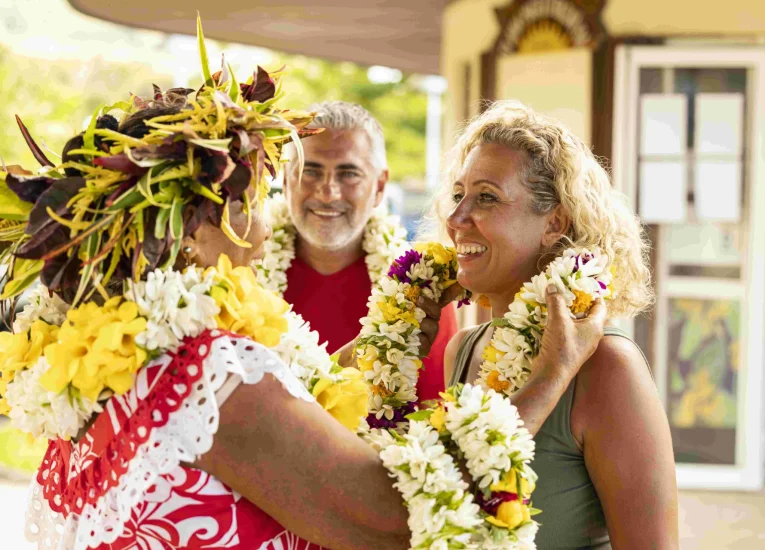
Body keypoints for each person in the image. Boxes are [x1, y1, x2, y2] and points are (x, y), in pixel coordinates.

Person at [1, 52, 605, 550]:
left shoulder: (118, 352)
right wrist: (549, 376)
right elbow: (395, 516)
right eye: (245, 206)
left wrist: (396, 330)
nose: (262, 231)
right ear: (183, 233)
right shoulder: (206, 373)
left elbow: (295, 410)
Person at [438, 101, 679, 549]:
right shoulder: (463, 350)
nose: (455, 219)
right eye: (459, 195)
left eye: (486, 197)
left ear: (554, 224)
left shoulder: (607, 366)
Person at [261, 101, 458, 401]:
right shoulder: (241, 273)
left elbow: (431, 418)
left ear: (379, 186)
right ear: (286, 180)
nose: (328, 193)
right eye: (311, 171)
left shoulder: (423, 290)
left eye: (349, 173)